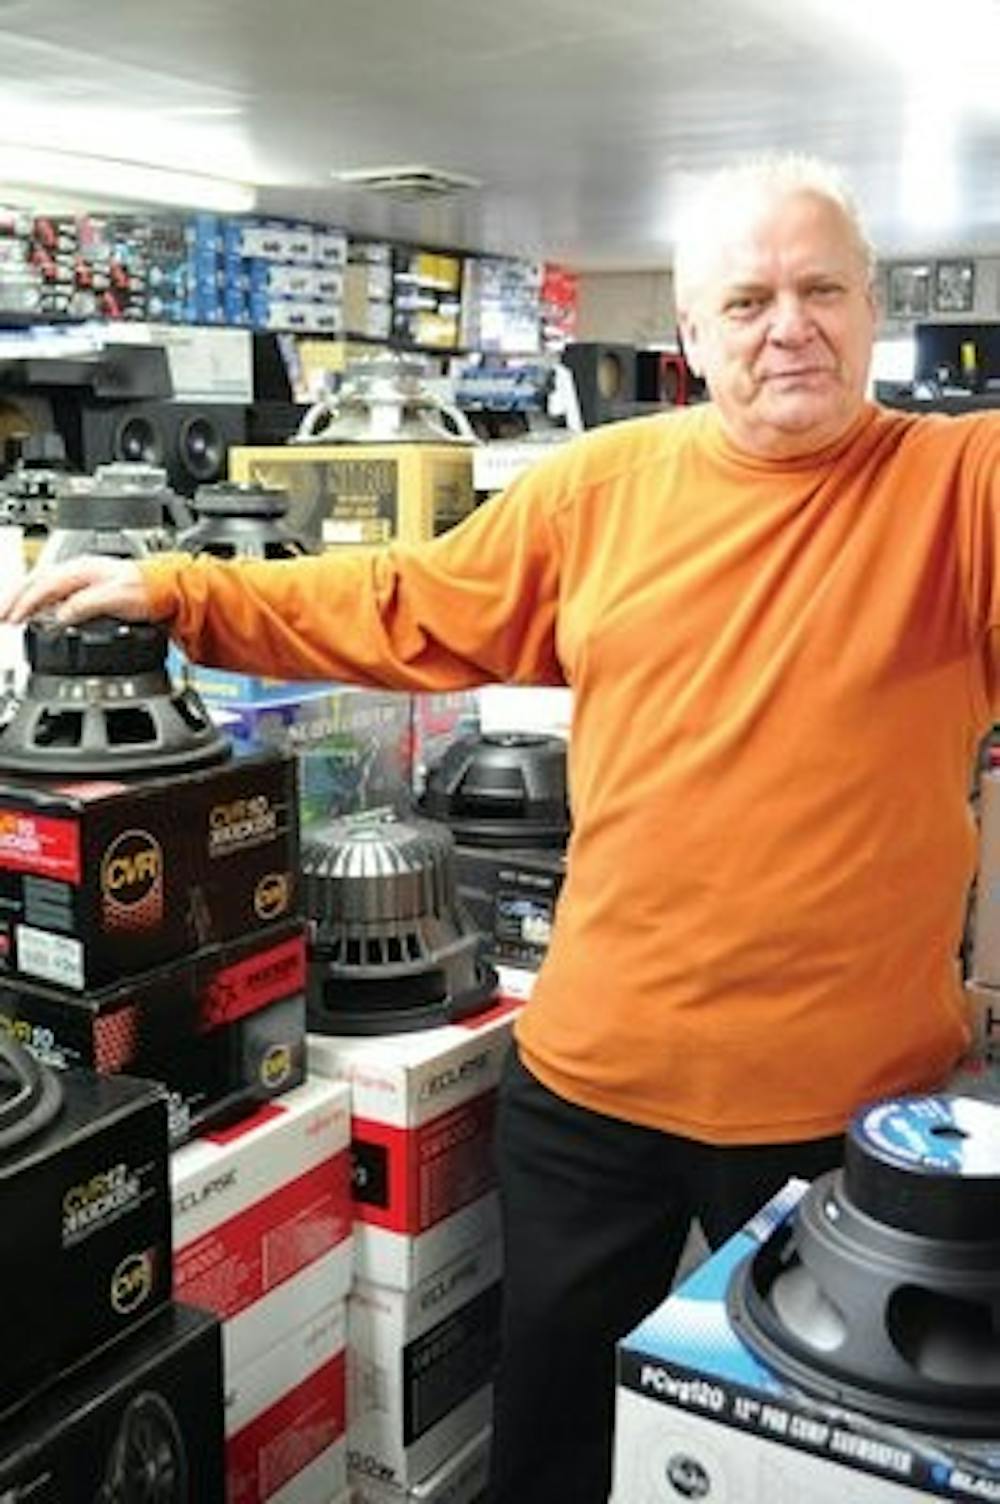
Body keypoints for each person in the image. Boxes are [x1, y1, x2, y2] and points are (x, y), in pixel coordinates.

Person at [0, 154, 994, 1503]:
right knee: (552, 1443)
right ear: (692, 335)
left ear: (872, 308)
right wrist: (183, 593)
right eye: (748, 300)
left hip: (845, 1108)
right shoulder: (604, 488)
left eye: (822, 290)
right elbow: (400, 599)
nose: (789, 328)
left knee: (806, 1475)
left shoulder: (961, 489)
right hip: (596, 1086)